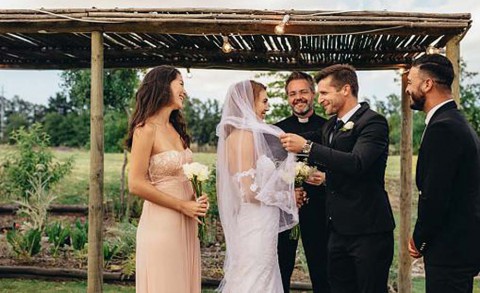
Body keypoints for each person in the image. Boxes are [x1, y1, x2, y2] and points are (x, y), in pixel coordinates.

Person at [280, 64, 395, 293]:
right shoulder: (331, 126)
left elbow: (357, 163)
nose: (320, 99)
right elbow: (303, 141)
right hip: (336, 232)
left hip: (367, 231)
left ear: (345, 89)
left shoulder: (373, 122)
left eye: (324, 93)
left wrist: (308, 147)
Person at [126, 65, 209, 293]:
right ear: (164, 86)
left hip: (188, 222)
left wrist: (197, 198)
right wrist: (182, 205)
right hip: (162, 223)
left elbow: (182, 175)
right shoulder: (145, 130)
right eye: (180, 83)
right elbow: (135, 183)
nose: (184, 90)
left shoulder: (176, 129)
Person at [216, 80, 300, 293]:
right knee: (255, 277)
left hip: (259, 221)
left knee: (259, 274)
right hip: (256, 222)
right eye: (264, 101)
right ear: (248, 103)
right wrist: (286, 198)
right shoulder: (244, 137)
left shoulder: (237, 136)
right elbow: (248, 192)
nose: (268, 106)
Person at [406, 54, 480, 293]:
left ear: (427, 84)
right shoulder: (454, 121)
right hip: (458, 246)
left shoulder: (444, 128)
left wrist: (420, 239)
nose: (408, 89)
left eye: (410, 82)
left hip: (450, 248)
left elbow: (435, 195)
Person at [275, 71, 330, 293]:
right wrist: (287, 193)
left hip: (319, 208)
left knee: (322, 268)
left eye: (303, 92)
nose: (298, 97)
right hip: (285, 210)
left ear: (313, 94)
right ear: (288, 98)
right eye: (292, 93)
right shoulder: (277, 129)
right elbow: (269, 171)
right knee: (281, 266)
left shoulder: (328, 127)